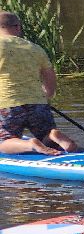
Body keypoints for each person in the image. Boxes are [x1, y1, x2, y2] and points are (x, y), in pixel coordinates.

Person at [0, 9, 79, 156]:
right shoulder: (35, 48)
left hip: (7, 104)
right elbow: (49, 75)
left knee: (4, 141)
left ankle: (30, 144)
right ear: (17, 27)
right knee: (44, 134)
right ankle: (52, 136)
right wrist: (47, 95)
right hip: (38, 103)